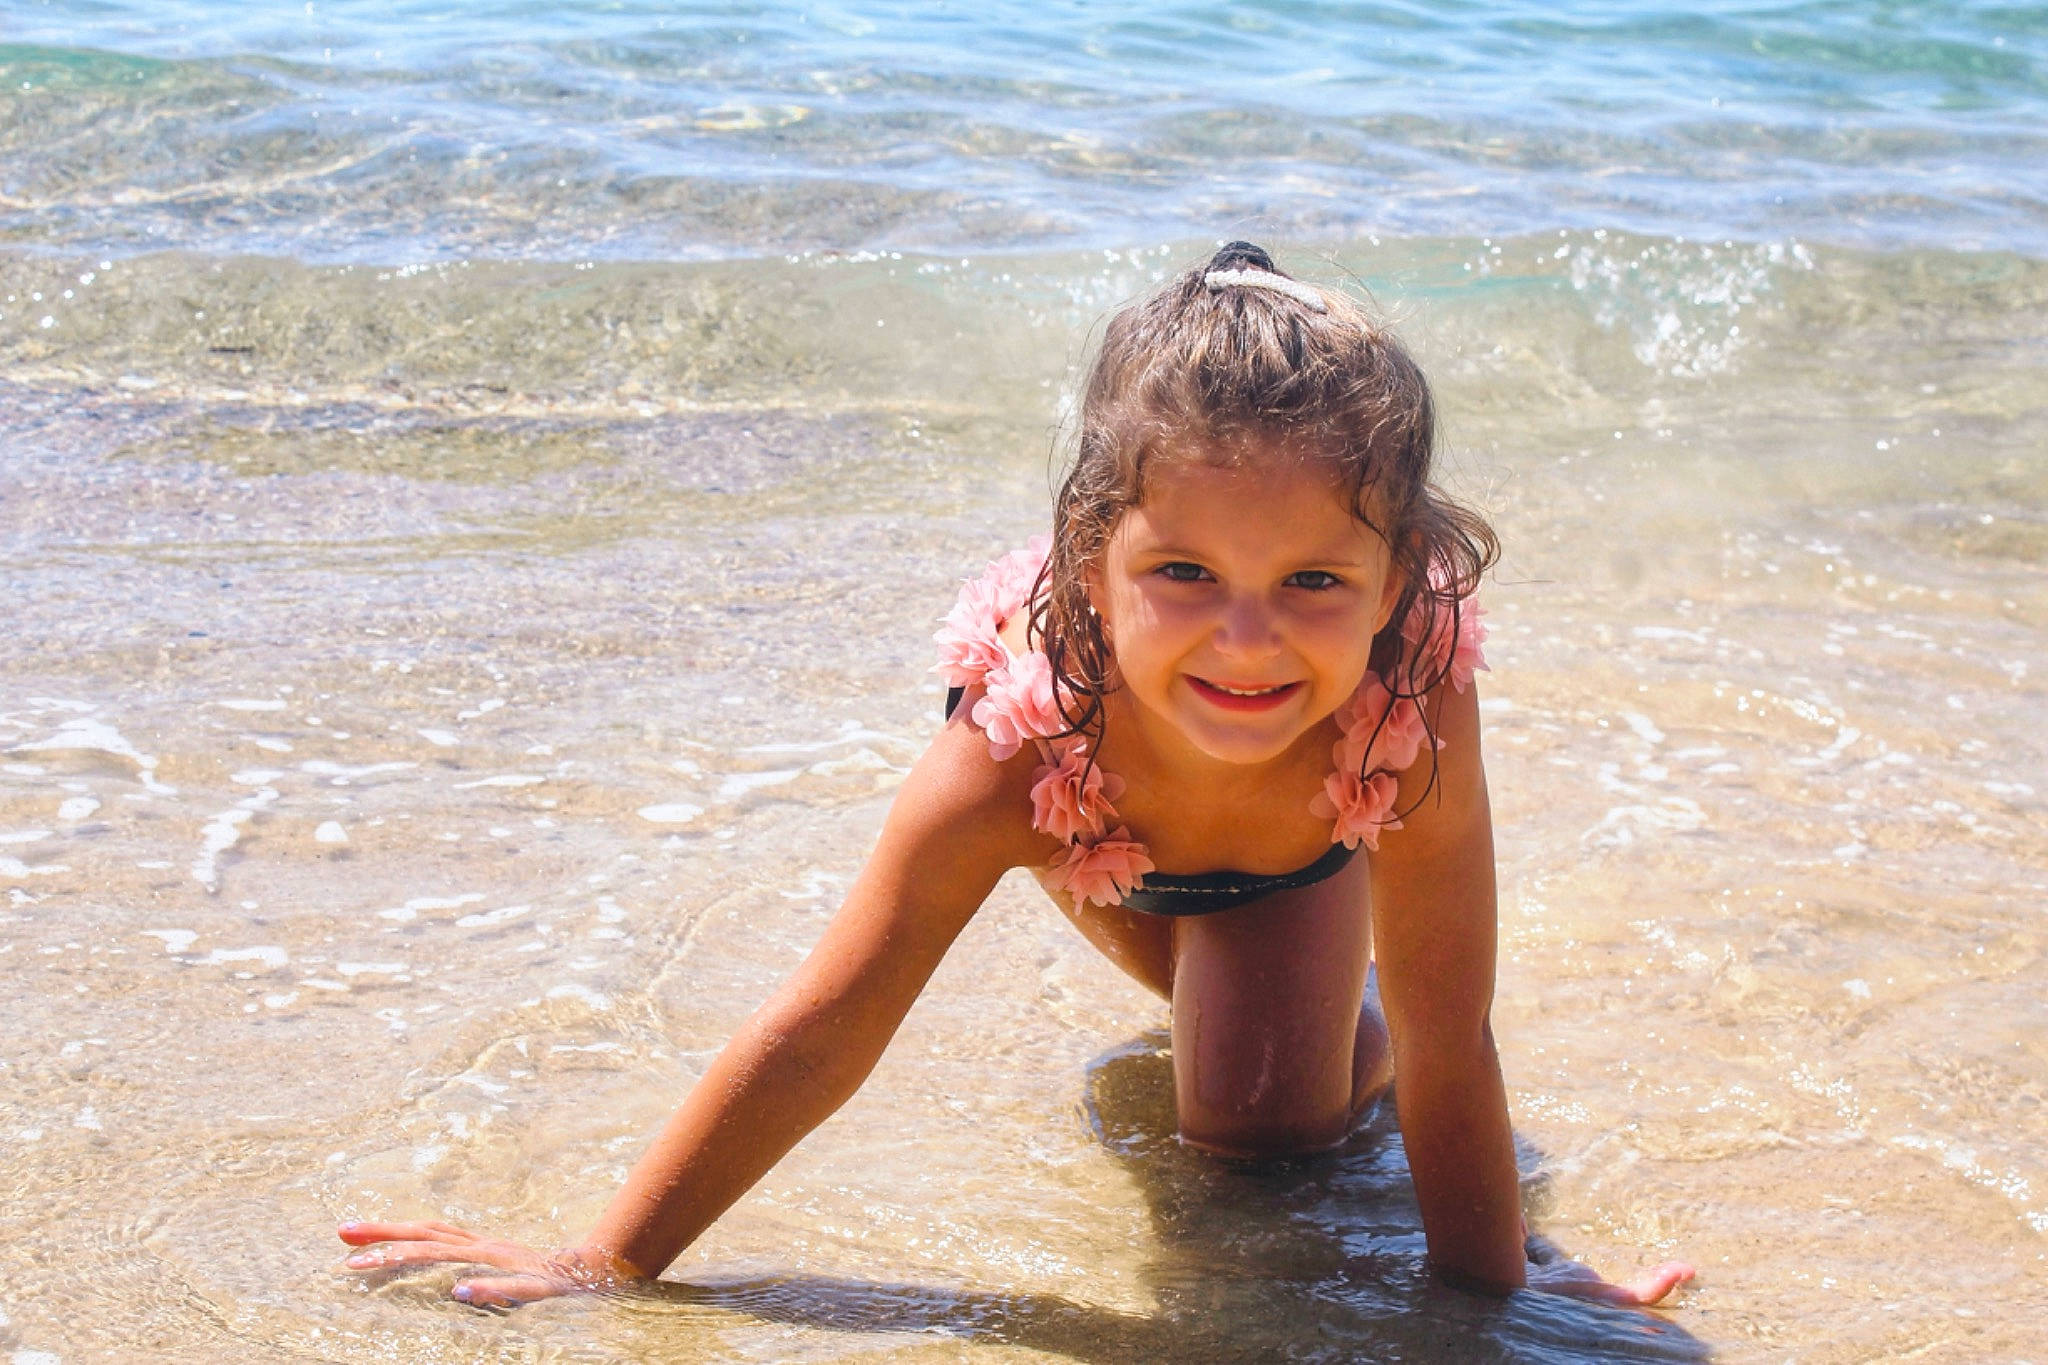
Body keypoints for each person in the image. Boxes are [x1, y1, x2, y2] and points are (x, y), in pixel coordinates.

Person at [338, 241, 1694, 1311]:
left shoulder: (1409, 706)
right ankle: (1290, 980)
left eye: (1314, 582)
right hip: (1105, 820)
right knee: (1249, 1034)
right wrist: (609, 1260)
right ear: (1092, 565)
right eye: (1184, 572)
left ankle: (1324, 994)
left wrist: (1500, 1302)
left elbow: (1456, 1040)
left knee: (1269, 1141)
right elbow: (827, 1025)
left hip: (1303, 849)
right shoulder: (1018, 749)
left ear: (1395, 586)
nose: (1248, 639)